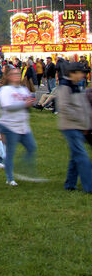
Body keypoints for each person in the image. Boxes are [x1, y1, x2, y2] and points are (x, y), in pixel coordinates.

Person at [0, 65, 37, 186]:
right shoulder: (5, 90)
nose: (17, 76)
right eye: (14, 74)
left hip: (23, 126)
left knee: (31, 147)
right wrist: (24, 104)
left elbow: (27, 103)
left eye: (18, 74)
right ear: (8, 77)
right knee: (10, 152)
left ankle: (21, 168)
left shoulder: (23, 89)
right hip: (9, 125)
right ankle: (10, 178)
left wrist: (29, 104)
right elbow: (7, 107)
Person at [56, 62, 92, 193]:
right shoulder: (65, 87)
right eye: (81, 72)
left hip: (79, 126)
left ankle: (70, 185)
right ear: (72, 73)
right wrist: (81, 119)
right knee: (82, 157)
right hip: (70, 126)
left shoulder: (76, 86)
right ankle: (89, 187)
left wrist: (87, 122)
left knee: (76, 157)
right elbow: (65, 107)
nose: (83, 75)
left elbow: (84, 106)